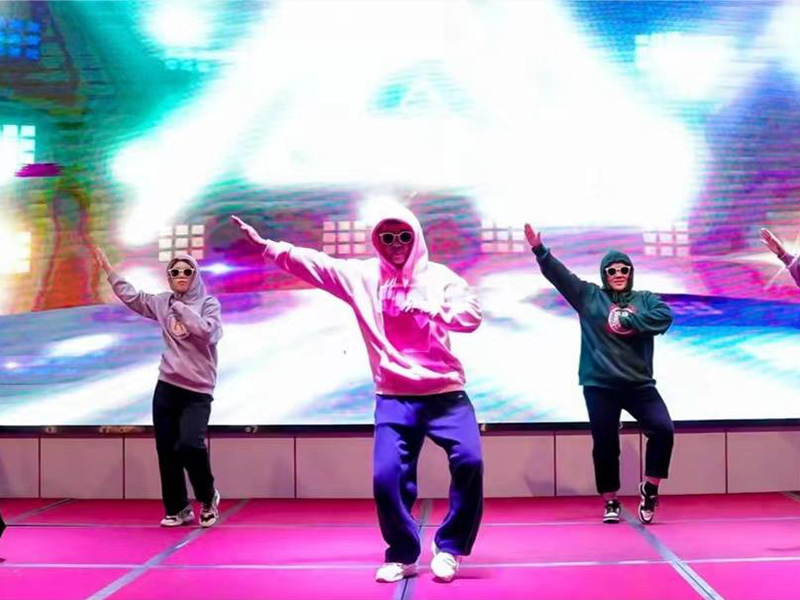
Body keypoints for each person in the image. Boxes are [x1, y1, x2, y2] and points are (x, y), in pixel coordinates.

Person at [231, 204, 483, 583]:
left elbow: (471, 317)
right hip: (394, 396)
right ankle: (403, 553)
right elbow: (317, 265)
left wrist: (432, 309)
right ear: (376, 240)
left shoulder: (440, 278)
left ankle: (449, 548)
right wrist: (269, 247)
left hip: (445, 393)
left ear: (416, 238)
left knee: (470, 462)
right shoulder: (362, 276)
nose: (396, 244)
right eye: (387, 237)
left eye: (403, 236)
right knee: (386, 477)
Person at [524, 224, 674, 524]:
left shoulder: (645, 299)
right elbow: (561, 277)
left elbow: (664, 317)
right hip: (600, 385)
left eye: (624, 269)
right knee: (605, 444)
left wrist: (630, 320)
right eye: (612, 270)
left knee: (663, 430)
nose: (618, 274)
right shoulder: (589, 296)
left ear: (630, 272)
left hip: (639, 384)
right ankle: (611, 500)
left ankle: (650, 489)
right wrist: (540, 251)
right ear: (604, 274)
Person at [94, 249, 222, 527]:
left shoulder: (208, 303)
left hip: (198, 389)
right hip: (167, 385)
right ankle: (178, 508)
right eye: (175, 272)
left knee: (190, 445)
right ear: (169, 277)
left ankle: (208, 497)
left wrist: (181, 308)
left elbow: (208, 332)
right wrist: (110, 271)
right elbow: (134, 298)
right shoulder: (163, 302)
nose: (181, 276)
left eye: (187, 271)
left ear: (195, 275)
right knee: (167, 450)